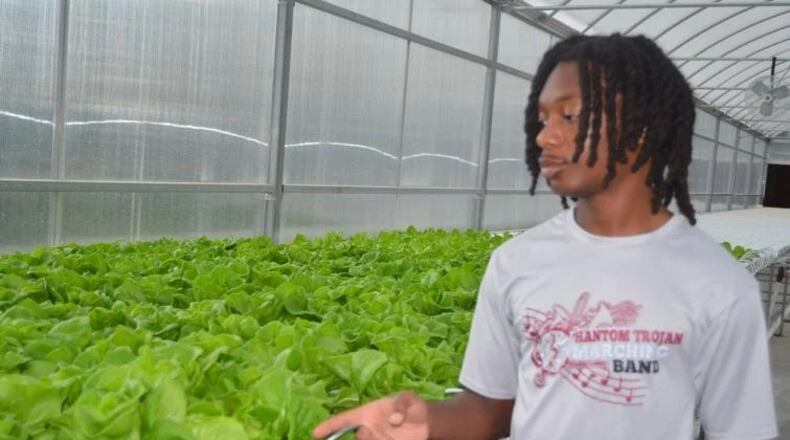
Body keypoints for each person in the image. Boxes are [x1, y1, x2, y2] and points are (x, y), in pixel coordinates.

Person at [312, 34, 778, 440]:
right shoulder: (517, 261)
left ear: (641, 127)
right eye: (541, 118)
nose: (543, 137)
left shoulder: (719, 285)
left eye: (569, 116)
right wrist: (425, 422)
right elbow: (487, 410)